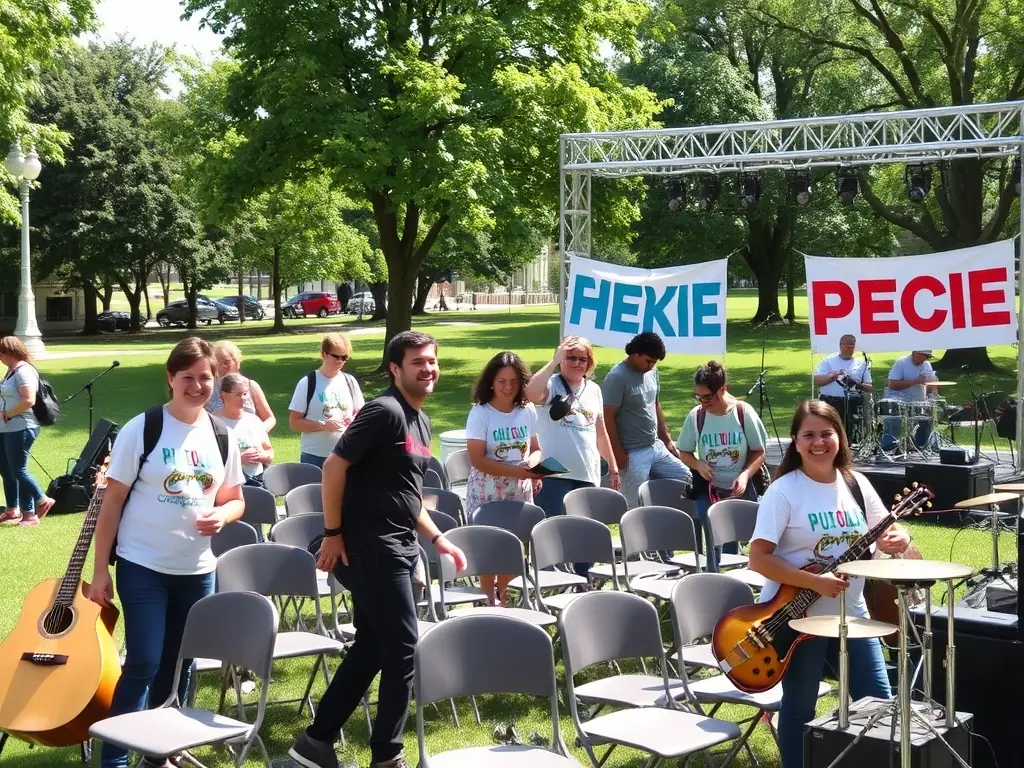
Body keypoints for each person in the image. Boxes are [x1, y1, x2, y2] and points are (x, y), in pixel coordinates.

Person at [287, 331, 467, 768]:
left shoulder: (418, 418)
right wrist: (332, 533)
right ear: (395, 369)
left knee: (372, 646)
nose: (428, 369)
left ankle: (314, 744)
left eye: (432, 361)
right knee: (404, 645)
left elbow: (407, 493)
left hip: (399, 545)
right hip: (371, 547)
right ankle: (387, 756)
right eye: (417, 363)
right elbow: (333, 466)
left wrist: (437, 538)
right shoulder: (384, 411)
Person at [88, 337, 245, 768]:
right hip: (144, 565)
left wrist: (224, 516)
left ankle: (161, 753)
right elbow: (112, 501)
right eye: (187, 378)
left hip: (197, 570)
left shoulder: (222, 435)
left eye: (205, 378)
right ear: (170, 379)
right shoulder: (145, 427)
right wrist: (100, 571)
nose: (197, 386)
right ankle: (115, 758)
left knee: (182, 665)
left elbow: (235, 497)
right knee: (144, 659)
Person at [747, 400, 910, 768]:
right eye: (809, 435)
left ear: (840, 437)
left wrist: (898, 537)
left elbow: (888, 527)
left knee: (878, 702)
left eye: (826, 433)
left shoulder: (855, 482)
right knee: (801, 707)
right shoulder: (783, 491)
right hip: (795, 619)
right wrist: (813, 582)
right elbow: (758, 559)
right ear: (795, 441)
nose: (818, 442)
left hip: (851, 613)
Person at [465, 350, 542, 606]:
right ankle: (488, 599)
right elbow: (477, 459)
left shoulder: (527, 410)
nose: (508, 387)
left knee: (514, 544)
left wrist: (532, 467)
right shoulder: (481, 413)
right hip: (488, 490)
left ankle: (503, 593)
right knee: (489, 547)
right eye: (502, 382)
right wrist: (517, 471)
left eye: (513, 382)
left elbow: (536, 448)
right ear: (491, 382)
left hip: (520, 488)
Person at [676, 360, 767, 571]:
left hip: (739, 490)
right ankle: (712, 577)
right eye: (698, 396)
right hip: (707, 489)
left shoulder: (743, 413)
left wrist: (744, 475)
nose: (702, 401)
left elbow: (759, 451)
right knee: (712, 537)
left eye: (707, 396)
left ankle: (736, 584)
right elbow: (684, 452)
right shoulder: (696, 416)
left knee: (735, 538)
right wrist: (698, 464)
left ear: (723, 389)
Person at [602, 331, 691, 507]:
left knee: (686, 478)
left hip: (655, 446)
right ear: (636, 353)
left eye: (654, 362)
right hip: (632, 453)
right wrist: (618, 455)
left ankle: (669, 522)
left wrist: (666, 439)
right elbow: (607, 418)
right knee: (633, 504)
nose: (651, 366)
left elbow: (655, 404)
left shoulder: (652, 372)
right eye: (648, 361)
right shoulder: (617, 377)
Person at [288, 333, 365, 469]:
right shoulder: (308, 382)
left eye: (344, 357)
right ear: (323, 354)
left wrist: (353, 419)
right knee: (315, 491)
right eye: (336, 356)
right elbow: (295, 424)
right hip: (315, 456)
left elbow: (361, 414)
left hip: (346, 453)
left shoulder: (350, 381)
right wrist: (323, 425)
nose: (340, 361)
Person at [0, 336, 55, 526]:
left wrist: (7, 413)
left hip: (22, 427)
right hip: (8, 428)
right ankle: (17, 509)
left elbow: (28, 400)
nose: (0, 357)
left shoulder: (24, 371)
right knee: (8, 469)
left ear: (10, 353)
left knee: (18, 470)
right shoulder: (11, 370)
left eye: (1, 353)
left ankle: (40, 502)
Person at [215, 372, 274, 486]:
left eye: (245, 394)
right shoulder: (214, 422)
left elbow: (269, 451)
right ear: (223, 395)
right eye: (237, 394)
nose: (243, 398)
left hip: (257, 481)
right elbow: (208, 460)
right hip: (228, 484)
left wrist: (264, 456)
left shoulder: (253, 420)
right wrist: (238, 460)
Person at [205, 340, 276, 432]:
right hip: (220, 441)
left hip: (250, 443)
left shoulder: (251, 385)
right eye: (218, 364)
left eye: (227, 362)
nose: (223, 367)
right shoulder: (209, 388)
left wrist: (258, 433)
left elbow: (270, 418)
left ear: (237, 361)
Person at [813, 334, 873, 440]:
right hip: (830, 401)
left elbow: (870, 387)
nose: (850, 349)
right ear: (840, 346)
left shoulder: (860, 364)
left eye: (852, 347)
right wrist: (833, 376)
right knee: (830, 430)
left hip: (852, 402)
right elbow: (816, 380)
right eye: (847, 347)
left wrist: (856, 384)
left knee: (849, 432)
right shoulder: (828, 361)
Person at [881, 350, 937, 450]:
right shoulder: (901, 363)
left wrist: (932, 384)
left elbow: (929, 388)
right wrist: (915, 381)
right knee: (894, 423)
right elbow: (892, 384)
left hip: (919, 403)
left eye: (928, 357)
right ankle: (890, 447)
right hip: (900, 402)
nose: (925, 359)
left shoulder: (927, 365)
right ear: (916, 353)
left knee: (928, 420)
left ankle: (921, 446)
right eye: (925, 356)